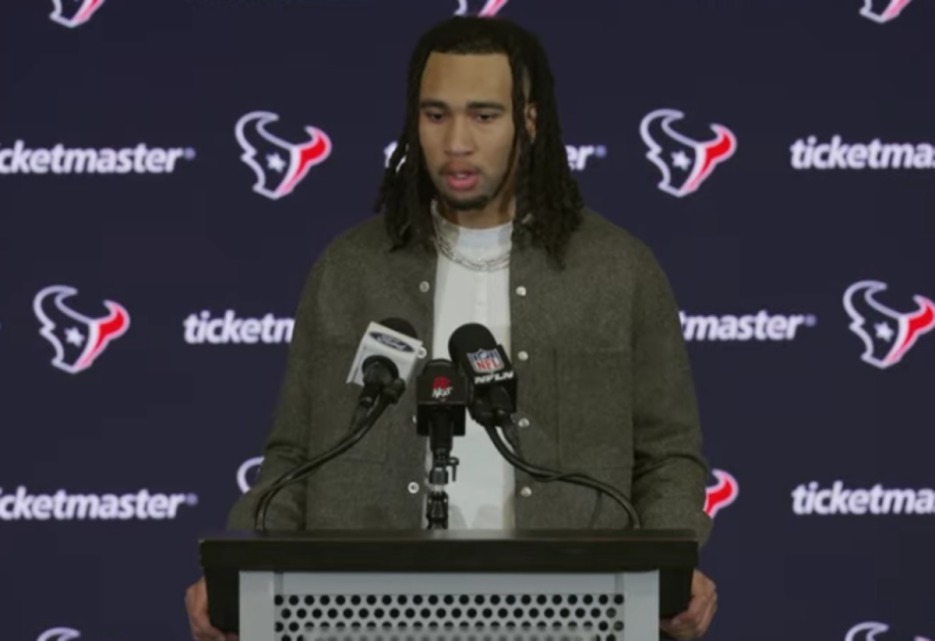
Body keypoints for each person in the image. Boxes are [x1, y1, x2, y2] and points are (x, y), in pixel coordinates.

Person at [186, 15, 717, 641]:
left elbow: (667, 455)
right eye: (436, 115)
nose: (456, 141)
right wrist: (238, 572)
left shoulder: (618, 270)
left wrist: (671, 567)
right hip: (366, 614)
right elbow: (295, 457)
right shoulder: (350, 269)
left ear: (529, 122)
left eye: (483, 116)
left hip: (569, 614)